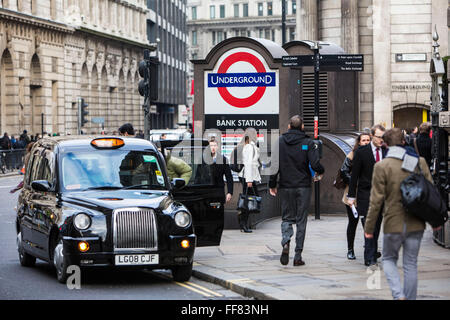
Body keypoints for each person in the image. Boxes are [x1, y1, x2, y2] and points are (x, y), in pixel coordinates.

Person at [365, 128, 440, 300]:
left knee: (389, 259)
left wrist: (369, 228)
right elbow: (430, 193)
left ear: (385, 143)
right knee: (410, 264)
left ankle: (399, 295)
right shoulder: (419, 162)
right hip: (416, 222)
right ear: (404, 142)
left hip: (393, 222)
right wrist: (435, 220)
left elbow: (376, 201)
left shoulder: (381, 166)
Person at [269, 115, 324, 266]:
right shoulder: (307, 142)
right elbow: (315, 164)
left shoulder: (280, 142)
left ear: (288, 126)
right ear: (302, 127)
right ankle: (297, 256)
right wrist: (321, 170)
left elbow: (274, 165)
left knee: (287, 218)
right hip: (303, 187)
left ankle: (286, 242)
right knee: (301, 221)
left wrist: (272, 184)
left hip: (286, 186)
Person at [347, 124, 386, 267]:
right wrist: (351, 197)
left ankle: (371, 253)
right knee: (368, 227)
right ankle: (369, 257)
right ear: (372, 136)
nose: (381, 140)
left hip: (382, 197)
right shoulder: (362, 152)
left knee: (376, 227)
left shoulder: (386, 151)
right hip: (365, 195)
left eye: (383, 137)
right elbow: (354, 176)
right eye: (379, 137)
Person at [340, 132, 371, 260]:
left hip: (367, 193)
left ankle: (370, 248)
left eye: (368, 140)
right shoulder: (352, 155)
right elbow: (343, 171)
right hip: (353, 194)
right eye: (363, 140)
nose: (366, 142)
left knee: (368, 223)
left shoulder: (373, 155)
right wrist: (356, 182)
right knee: (353, 223)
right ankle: (350, 250)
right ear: (359, 142)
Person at [237, 128, 261, 233]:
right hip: (248, 177)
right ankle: (243, 223)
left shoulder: (249, 146)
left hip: (248, 176)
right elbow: (248, 164)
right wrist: (249, 180)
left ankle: (243, 221)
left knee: (248, 200)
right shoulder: (249, 147)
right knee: (247, 201)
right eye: (256, 134)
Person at [207, 139, 233, 204]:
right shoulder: (203, 159)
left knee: (219, 211)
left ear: (217, 147)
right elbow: (199, 175)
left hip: (219, 190)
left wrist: (229, 192)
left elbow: (229, 177)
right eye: (211, 146)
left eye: (214, 146)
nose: (213, 148)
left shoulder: (223, 159)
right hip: (206, 190)